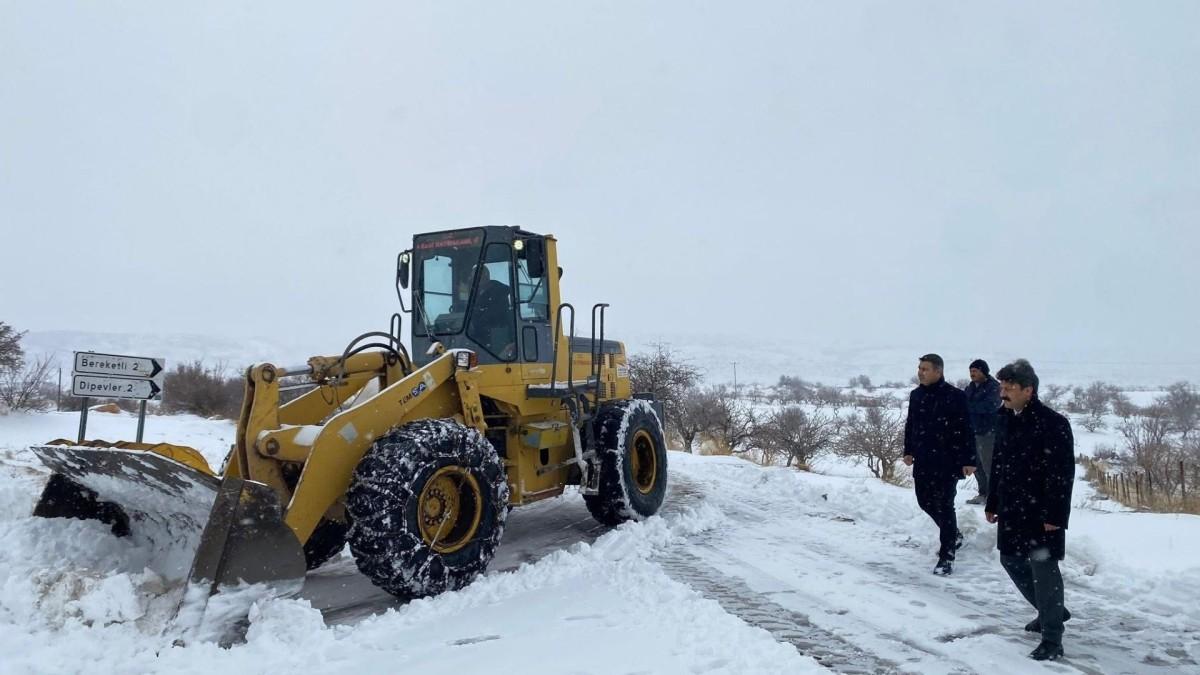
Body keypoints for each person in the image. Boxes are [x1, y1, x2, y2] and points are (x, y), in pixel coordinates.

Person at [985, 359, 1075, 662]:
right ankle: (1052, 611)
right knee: (1010, 559)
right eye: (1001, 386)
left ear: (1029, 390)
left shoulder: (1053, 423)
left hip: (1041, 511)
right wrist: (993, 501)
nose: (1003, 392)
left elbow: (1062, 473)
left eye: (1010, 387)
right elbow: (998, 462)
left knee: (1044, 570)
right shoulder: (1006, 418)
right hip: (1012, 506)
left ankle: (1052, 639)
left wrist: (1056, 516)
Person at [903, 354, 976, 575]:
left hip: (948, 460)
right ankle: (953, 533)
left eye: (925, 369)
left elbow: (967, 429)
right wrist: (908, 450)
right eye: (919, 368)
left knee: (945, 505)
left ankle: (947, 556)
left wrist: (970, 459)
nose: (920, 372)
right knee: (924, 501)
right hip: (924, 459)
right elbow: (911, 424)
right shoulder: (916, 395)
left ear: (938, 371)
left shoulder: (956, 396)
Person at [964, 359, 1002, 505]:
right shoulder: (971, 387)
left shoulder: (994, 387)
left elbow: (990, 406)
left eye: (975, 371)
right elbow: (964, 403)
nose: (972, 374)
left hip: (988, 432)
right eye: (971, 371)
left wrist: (970, 407)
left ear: (983, 371)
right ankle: (983, 493)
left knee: (989, 465)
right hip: (973, 431)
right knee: (976, 465)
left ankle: (995, 497)